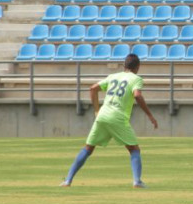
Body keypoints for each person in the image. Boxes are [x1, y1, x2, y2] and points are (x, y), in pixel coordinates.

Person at [63, 53, 158, 188]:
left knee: (88, 148)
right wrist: (149, 115)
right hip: (118, 117)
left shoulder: (113, 76)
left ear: (124, 65)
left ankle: (68, 180)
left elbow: (93, 88)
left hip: (102, 115)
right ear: (137, 67)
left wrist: (96, 110)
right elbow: (137, 95)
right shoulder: (136, 79)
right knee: (134, 149)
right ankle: (137, 181)